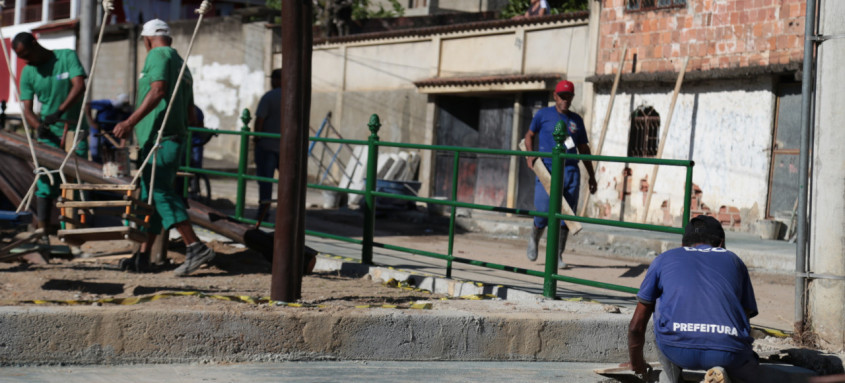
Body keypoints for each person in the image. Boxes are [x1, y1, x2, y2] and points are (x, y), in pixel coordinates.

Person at [113, 19, 215, 276]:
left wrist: (128, 121)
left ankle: (194, 246)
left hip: (161, 139)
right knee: (152, 199)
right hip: (170, 138)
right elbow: (192, 114)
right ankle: (143, 256)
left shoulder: (158, 55)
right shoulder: (181, 63)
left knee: (159, 192)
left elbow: (157, 90)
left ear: (147, 40)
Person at [628, 215, 767, 383]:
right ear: (721, 243)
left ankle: (672, 379)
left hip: (676, 350)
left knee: (657, 303)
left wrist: (637, 365)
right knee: (746, 368)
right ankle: (723, 372)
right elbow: (744, 319)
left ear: (682, 245)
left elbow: (636, 327)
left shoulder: (663, 259)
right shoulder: (734, 260)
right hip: (727, 351)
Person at [14, 32, 89, 234]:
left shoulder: (66, 57)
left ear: (34, 44)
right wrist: (38, 126)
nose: (26, 60)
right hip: (49, 132)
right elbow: (27, 110)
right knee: (46, 180)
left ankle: (73, 233)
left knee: (75, 179)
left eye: (27, 54)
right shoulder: (28, 72)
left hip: (73, 128)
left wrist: (59, 112)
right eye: (22, 58)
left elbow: (79, 85)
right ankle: (43, 231)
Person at [523, 80, 597, 268]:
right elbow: (529, 135)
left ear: (572, 98)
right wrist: (530, 156)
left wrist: (591, 176)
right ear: (555, 96)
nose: (565, 100)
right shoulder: (543, 114)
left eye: (568, 96)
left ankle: (557, 255)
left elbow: (583, 148)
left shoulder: (576, 120)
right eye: (561, 96)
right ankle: (534, 236)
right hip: (547, 168)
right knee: (542, 210)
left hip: (571, 169)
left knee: (567, 216)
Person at [253, 68, 281, 220]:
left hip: (268, 145)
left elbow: (260, 120)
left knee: (265, 181)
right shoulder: (294, 97)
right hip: (285, 148)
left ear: (276, 80)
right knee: (287, 181)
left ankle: (263, 213)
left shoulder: (269, 97)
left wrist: (257, 137)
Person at [85, 93, 131, 163]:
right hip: (98, 131)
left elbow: (125, 130)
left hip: (113, 134)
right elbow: (87, 105)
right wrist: (92, 122)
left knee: (114, 155)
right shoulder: (106, 104)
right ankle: (97, 167)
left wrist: (122, 145)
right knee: (95, 152)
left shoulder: (126, 112)